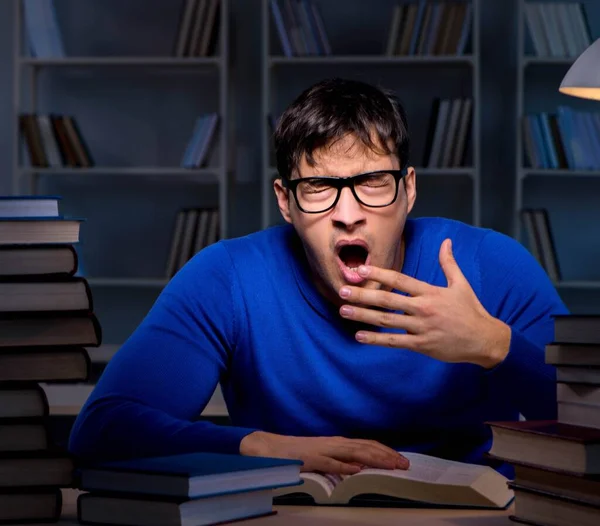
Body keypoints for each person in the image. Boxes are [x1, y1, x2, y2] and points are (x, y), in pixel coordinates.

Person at [68, 78, 568, 477]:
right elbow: (102, 430)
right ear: (286, 200)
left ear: (408, 190)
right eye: (319, 187)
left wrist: (495, 346)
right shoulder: (228, 278)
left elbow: (590, 426)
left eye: (373, 181)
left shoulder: (489, 266)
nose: (348, 213)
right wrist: (260, 446)